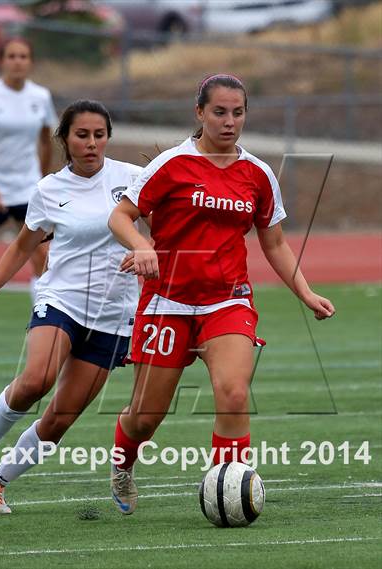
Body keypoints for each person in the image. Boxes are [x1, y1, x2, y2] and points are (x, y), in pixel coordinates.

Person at [108, 73, 335, 515]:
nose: (230, 121)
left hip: (227, 301)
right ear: (199, 113)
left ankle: (226, 492)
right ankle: (123, 464)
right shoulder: (171, 165)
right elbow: (121, 216)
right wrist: (142, 245)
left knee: (233, 393)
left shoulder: (258, 174)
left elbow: (274, 243)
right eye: (219, 112)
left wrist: (305, 292)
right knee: (145, 418)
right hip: (166, 303)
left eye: (238, 113)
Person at [0, 99, 142, 514]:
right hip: (60, 298)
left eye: (100, 135)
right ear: (64, 139)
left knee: (60, 419)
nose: (92, 143)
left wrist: (149, 251)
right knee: (37, 379)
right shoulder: (49, 190)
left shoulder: (133, 179)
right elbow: (24, 245)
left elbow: (164, 224)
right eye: (82, 135)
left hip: (114, 314)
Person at [0, 37, 58, 297]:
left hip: (26, 189)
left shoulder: (40, 96)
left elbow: (46, 143)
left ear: (31, 62)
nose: (18, 62)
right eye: (12, 56)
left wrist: (41, 181)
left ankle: (41, 316)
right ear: (2, 61)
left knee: (41, 256)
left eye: (23, 56)